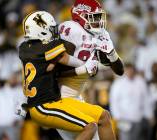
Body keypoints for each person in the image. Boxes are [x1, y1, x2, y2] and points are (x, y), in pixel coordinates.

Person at [19, 11, 112, 140]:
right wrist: (86, 65)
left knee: (103, 116)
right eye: (51, 29)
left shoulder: (25, 48)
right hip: (44, 106)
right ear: (40, 30)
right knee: (90, 126)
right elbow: (66, 58)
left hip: (49, 102)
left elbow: (49, 68)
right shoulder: (47, 49)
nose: (55, 32)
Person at [57, 0, 123, 139]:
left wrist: (112, 54)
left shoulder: (99, 34)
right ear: (80, 16)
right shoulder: (71, 32)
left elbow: (119, 71)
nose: (99, 21)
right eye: (94, 17)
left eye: (99, 16)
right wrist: (83, 69)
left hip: (75, 98)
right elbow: (53, 73)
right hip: (58, 98)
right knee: (103, 118)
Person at [110, 63, 153, 140]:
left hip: (138, 117)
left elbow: (146, 99)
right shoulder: (118, 83)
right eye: (128, 70)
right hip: (124, 119)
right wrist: (117, 116)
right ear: (125, 71)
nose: (130, 72)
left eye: (131, 70)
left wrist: (149, 115)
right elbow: (113, 101)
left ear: (134, 71)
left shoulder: (141, 82)